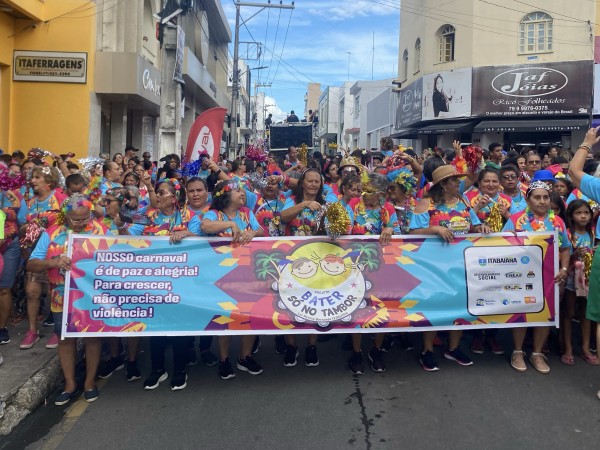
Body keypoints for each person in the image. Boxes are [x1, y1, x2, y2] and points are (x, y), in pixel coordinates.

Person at [27, 195, 107, 404]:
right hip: (61, 295)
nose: (81, 223)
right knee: (65, 339)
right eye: (76, 219)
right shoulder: (52, 233)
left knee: (92, 337)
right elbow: (32, 263)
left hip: (92, 294)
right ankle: (70, 384)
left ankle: (90, 382)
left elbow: (119, 254)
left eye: (85, 218)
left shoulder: (101, 230)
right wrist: (53, 262)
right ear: (65, 217)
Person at [410, 165, 490, 371]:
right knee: (434, 307)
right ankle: (427, 350)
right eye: (455, 180)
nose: (459, 183)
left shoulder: (463, 202)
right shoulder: (426, 204)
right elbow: (411, 232)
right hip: (433, 266)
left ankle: (453, 348)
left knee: (459, 306)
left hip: (461, 264)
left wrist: (479, 227)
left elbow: (472, 225)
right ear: (444, 185)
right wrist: (434, 228)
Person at [124, 179, 201, 390]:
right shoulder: (147, 217)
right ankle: (157, 369)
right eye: (157, 192)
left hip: (182, 283)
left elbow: (202, 242)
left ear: (174, 197)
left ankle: (180, 370)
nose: (157, 196)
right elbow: (128, 238)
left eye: (162, 193)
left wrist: (187, 234)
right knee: (156, 328)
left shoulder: (190, 217)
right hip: (153, 282)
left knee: (178, 329)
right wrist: (120, 224)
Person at [502, 180, 571, 374]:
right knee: (522, 313)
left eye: (546, 197)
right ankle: (517, 351)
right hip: (521, 276)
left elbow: (565, 248)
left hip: (549, 278)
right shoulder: (515, 220)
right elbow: (502, 245)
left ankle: (537, 353)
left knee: (545, 315)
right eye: (537, 197)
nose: (542, 201)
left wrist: (564, 270)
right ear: (527, 199)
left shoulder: (557, 222)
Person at [200, 179, 264, 379]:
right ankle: (224, 359)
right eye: (237, 190)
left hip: (246, 271)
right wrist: (230, 224)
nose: (242, 193)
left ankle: (245, 356)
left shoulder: (247, 213)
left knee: (249, 314)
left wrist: (252, 232)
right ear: (226, 195)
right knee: (224, 315)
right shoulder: (214, 214)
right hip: (221, 274)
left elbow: (261, 230)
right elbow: (205, 226)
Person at [18, 166, 68, 350]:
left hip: (55, 252)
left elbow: (69, 220)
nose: (32, 180)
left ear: (49, 181)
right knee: (31, 292)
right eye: (32, 177)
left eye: (37, 177)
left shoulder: (60, 198)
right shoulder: (29, 202)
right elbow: (23, 225)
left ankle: (57, 330)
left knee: (52, 293)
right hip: (34, 253)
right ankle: (32, 331)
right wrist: (26, 229)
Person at [561, 199, 597, 366]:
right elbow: (563, 257)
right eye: (578, 213)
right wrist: (575, 254)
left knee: (586, 313)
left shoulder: (593, 232)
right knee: (568, 313)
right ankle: (567, 347)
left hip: (589, 279)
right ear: (571, 215)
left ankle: (585, 347)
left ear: (591, 215)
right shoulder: (568, 233)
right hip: (570, 279)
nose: (583, 216)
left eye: (586, 213)